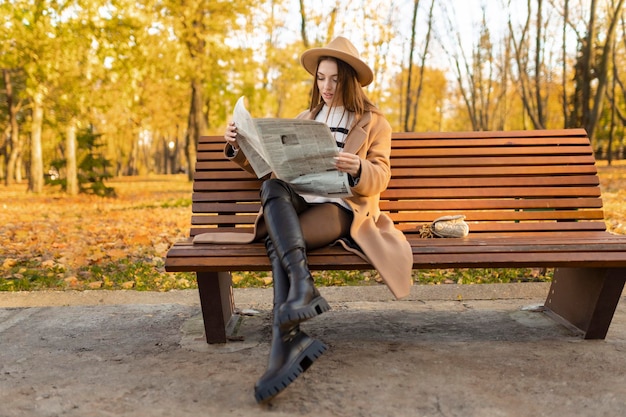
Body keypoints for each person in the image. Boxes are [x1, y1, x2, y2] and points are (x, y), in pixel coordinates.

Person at [223, 36, 413, 404]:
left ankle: (286, 343)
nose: (326, 87)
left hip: (341, 209)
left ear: (351, 81)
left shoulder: (373, 122)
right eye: (321, 78)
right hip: (299, 199)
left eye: (335, 80)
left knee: (276, 242)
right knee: (273, 188)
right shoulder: (304, 119)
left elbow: (381, 174)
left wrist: (359, 167)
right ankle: (300, 298)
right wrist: (238, 144)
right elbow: (270, 169)